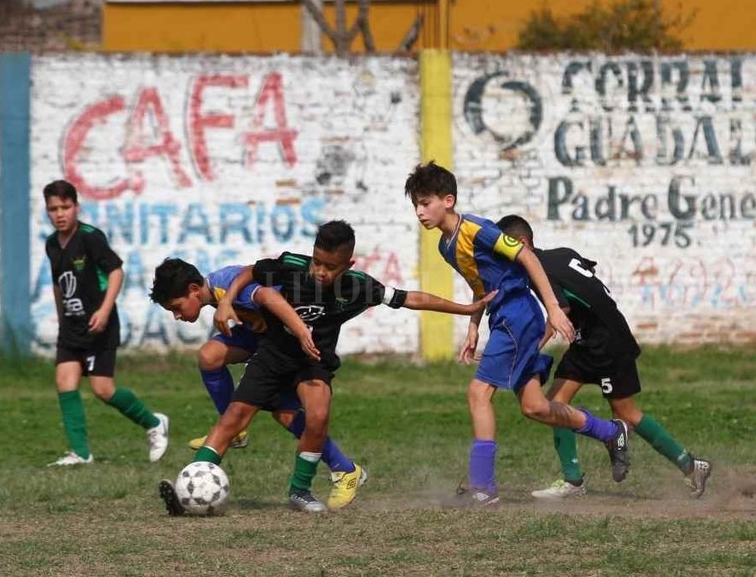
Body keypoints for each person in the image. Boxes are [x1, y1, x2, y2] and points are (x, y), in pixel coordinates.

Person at [158, 220, 494, 514]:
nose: (319, 271)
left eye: (329, 267)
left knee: (317, 414)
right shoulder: (291, 266)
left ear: (347, 264)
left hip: (313, 361)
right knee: (232, 419)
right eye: (316, 261)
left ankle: (300, 491)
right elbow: (254, 273)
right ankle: (188, 486)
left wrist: (466, 309)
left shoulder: (359, 287)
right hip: (272, 357)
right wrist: (232, 300)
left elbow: (410, 298)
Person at [403, 161, 630, 507]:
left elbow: (527, 256)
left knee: (478, 394)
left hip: (518, 317)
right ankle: (610, 432)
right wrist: (473, 326)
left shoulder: (477, 229)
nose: (420, 212)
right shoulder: (446, 245)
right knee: (535, 407)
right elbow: (481, 286)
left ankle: (483, 488)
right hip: (503, 317)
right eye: (416, 205)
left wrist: (553, 307)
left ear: (448, 200)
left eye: (425, 203)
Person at [496, 214, 713, 499]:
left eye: (504, 251)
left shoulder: (537, 269)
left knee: (626, 413)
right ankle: (573, 481)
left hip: (609, 340)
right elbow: (585, 272)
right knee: (553, 404)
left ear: (521, 243)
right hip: (586, 340)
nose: (503, 259)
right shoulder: (562, 253)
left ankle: (690, 465)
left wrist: (530, 349)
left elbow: (560, 311)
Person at [148, 258, 368, 509]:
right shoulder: (215, 292)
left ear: (194, 290)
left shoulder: (223, 286)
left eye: (176, 307)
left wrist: (299, 331)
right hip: (262, 340)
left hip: (284, 347)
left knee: (285, 414)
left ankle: (344, 468)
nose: (177, 316)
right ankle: (231, 440)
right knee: (210, 356)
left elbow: (265, 295)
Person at [43, 179, 169, 466]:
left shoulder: (90, 237)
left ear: (76, 207)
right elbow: (58, 285)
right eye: (53, 209)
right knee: (65, 381)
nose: (60, 214)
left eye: (65, 207)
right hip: (71, 327)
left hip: (100, 325)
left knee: (102, 389)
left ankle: (154, 423)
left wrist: (104, 309)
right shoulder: (52, 245)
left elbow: (116, 272)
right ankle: (81, 453)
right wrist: (61, 318)